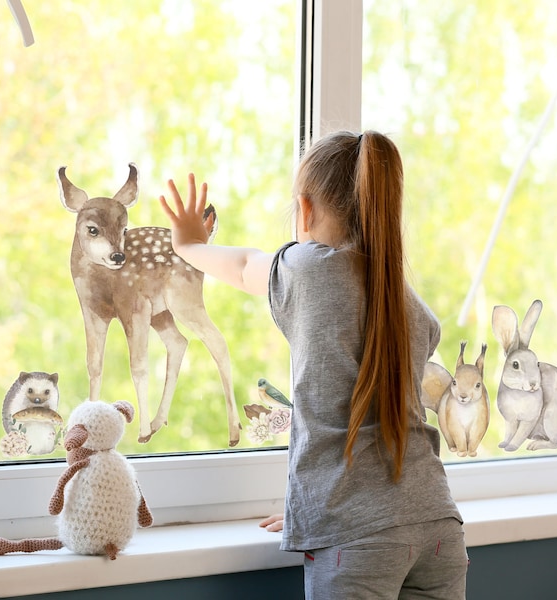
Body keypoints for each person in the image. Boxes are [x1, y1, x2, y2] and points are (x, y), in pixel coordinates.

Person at [159, 130, 468, 599]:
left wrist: (189, 246)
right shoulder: (406, 301)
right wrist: (316, 504)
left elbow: (245, 266)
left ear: (305, 210)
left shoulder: (310, 269)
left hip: (357, 537)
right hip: (437, 522)